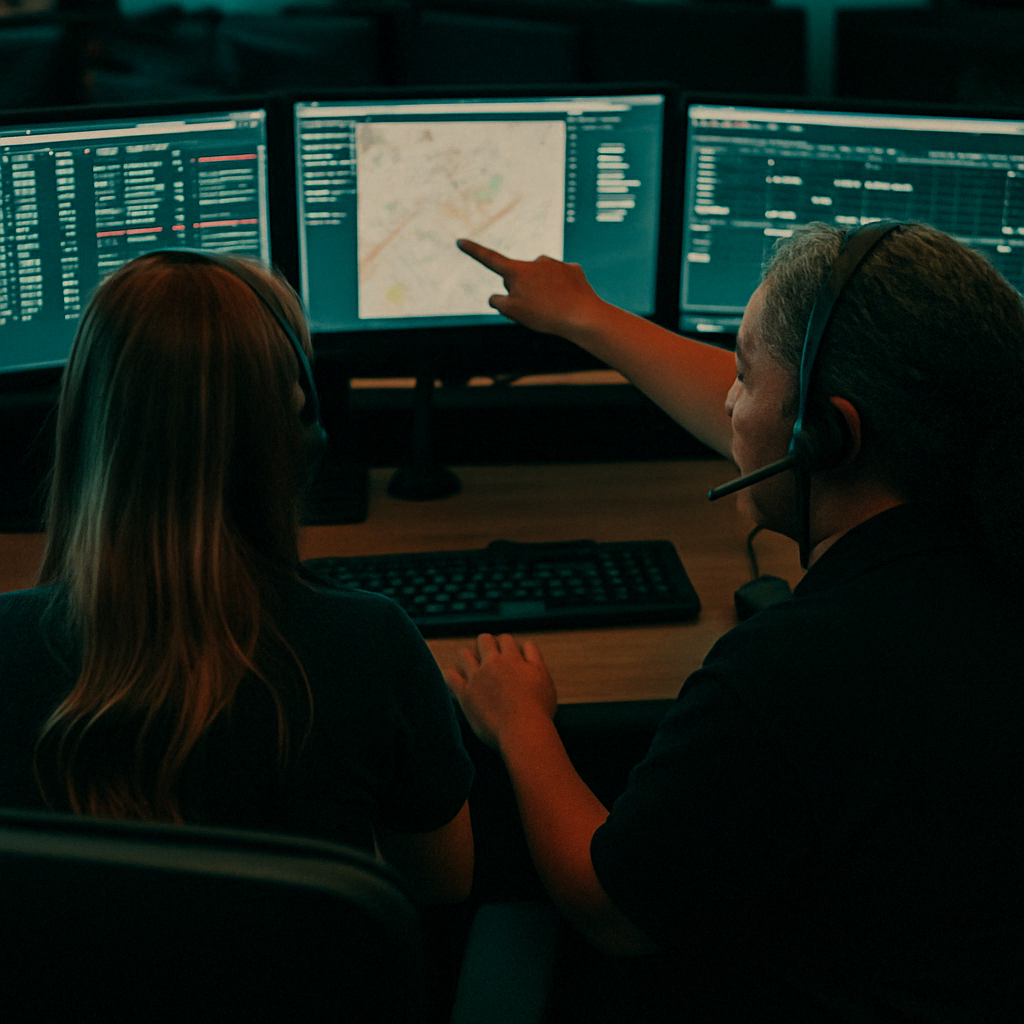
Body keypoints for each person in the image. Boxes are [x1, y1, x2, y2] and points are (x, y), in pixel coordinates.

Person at [445, 224, 1024, 1020]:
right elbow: (781, 416)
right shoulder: (988, 531)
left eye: (745, 376)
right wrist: (587, 316)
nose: (727, 398)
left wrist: (519, 722)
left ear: (826, 435)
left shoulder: (791, 671)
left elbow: (611, 908)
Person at [0, 250, 473, 905]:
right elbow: (443, 889)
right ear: (297, 438)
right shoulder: (370, 645)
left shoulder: (7, 646)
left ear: (91, 424)